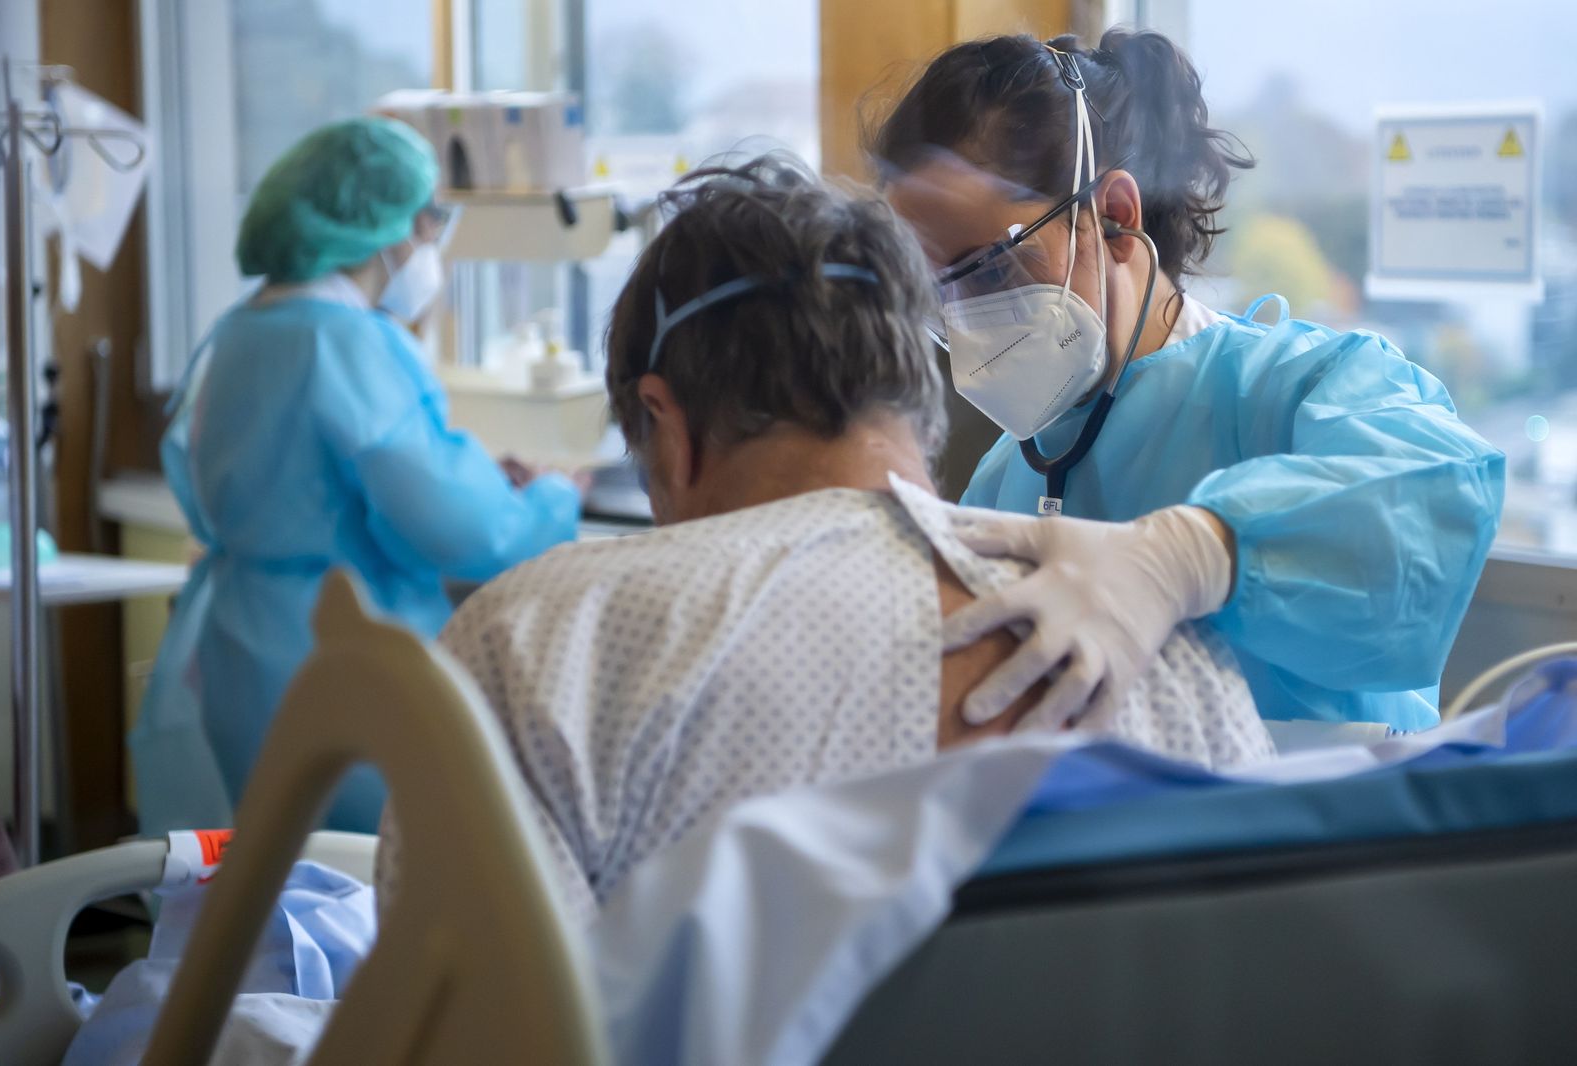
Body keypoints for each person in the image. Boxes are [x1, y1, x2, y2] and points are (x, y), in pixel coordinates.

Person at [377, 157, 1273, 921]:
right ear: (917, 407)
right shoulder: (1164, 649)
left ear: (668, 427)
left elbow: (480, 1026)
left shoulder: (537, 652)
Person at [872, 30, 1505, 733]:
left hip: (1332, 831)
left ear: (1113, 217)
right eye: (935, 294)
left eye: (990, 268)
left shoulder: (1298, 388)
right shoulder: (1004, 480)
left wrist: (1190, 555)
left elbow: (1438, 494)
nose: (965, 320)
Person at [132, 118, 583, 835]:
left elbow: (213, 470)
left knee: (275, 894)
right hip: (335, 660)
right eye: (429, 222)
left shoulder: (238, 330)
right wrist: (557, 497)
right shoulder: (345, 341)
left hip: (235, 650)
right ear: (388, 228)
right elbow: (461, 525)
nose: (432, 242)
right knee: (367, 894)